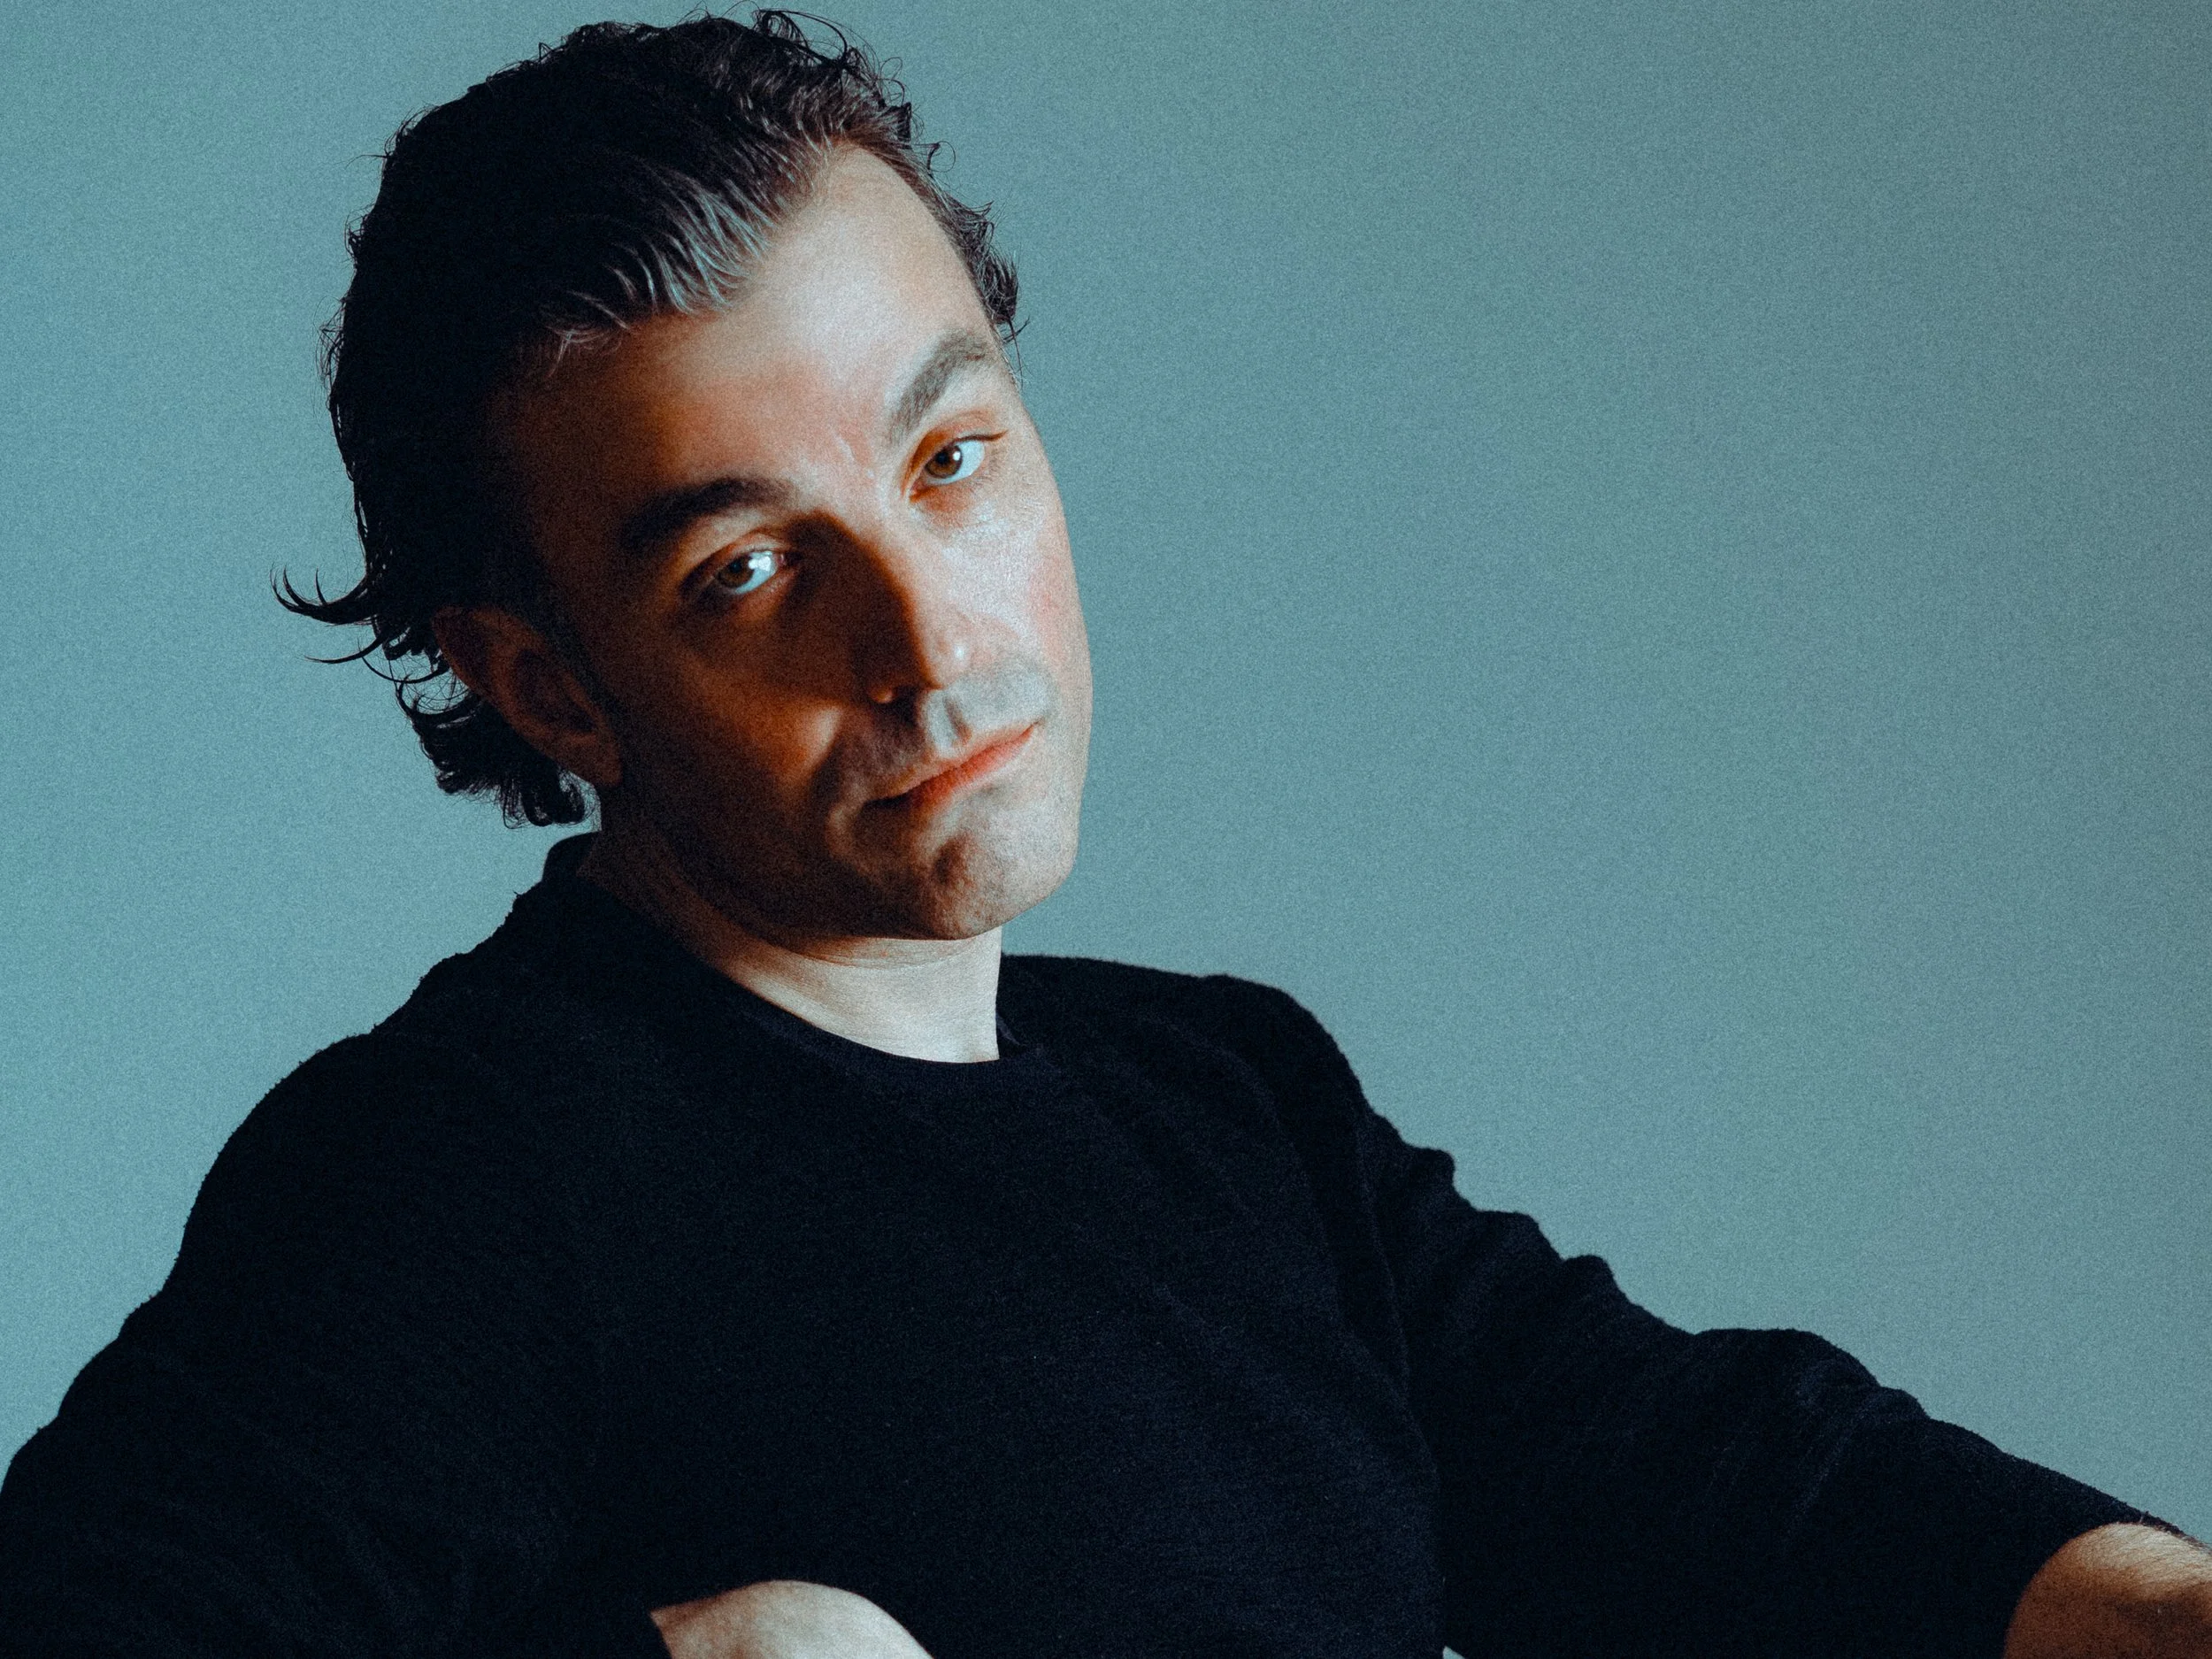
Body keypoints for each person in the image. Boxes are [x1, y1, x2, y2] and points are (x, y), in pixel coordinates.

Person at [1, 13, 2205, 1657]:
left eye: (948, 461)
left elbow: (1738, 1492)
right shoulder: (459, 1174)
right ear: (549, 683)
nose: (926, 636)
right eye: (747, 574)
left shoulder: (1223, 1102)